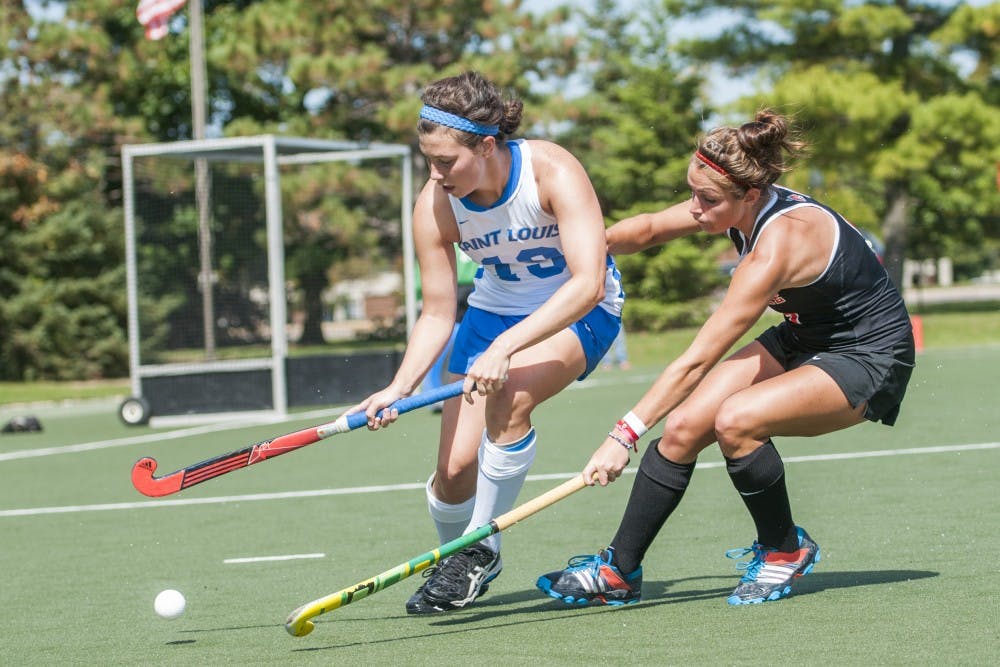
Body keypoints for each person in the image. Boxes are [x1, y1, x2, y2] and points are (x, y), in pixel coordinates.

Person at [536, 110, 915, 607]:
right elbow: (648, 229)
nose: (694, 209)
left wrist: (622, 435)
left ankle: (784, 550)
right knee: (683, 426)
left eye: (707, 200)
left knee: (735, 421)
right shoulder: (727, 205)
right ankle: (619, 571)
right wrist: (584, 249)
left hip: (868, 352)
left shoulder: (775, 247)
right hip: (806, 334)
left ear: (750, 196)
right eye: (692, 191)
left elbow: (696, 361)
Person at [350, 71, 625, 614]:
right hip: (491, 315)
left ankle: (475, 548)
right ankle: (468, 555)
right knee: (453, 473)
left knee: (511, 395)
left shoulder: (552, 171)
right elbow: (437, 310)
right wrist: (399, 388)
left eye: (446, 162)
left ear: (488, 145)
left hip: (579, 311)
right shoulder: (436, 203)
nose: (435, 174)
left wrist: (506, 350)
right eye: (428, 161)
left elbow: (587, 281)